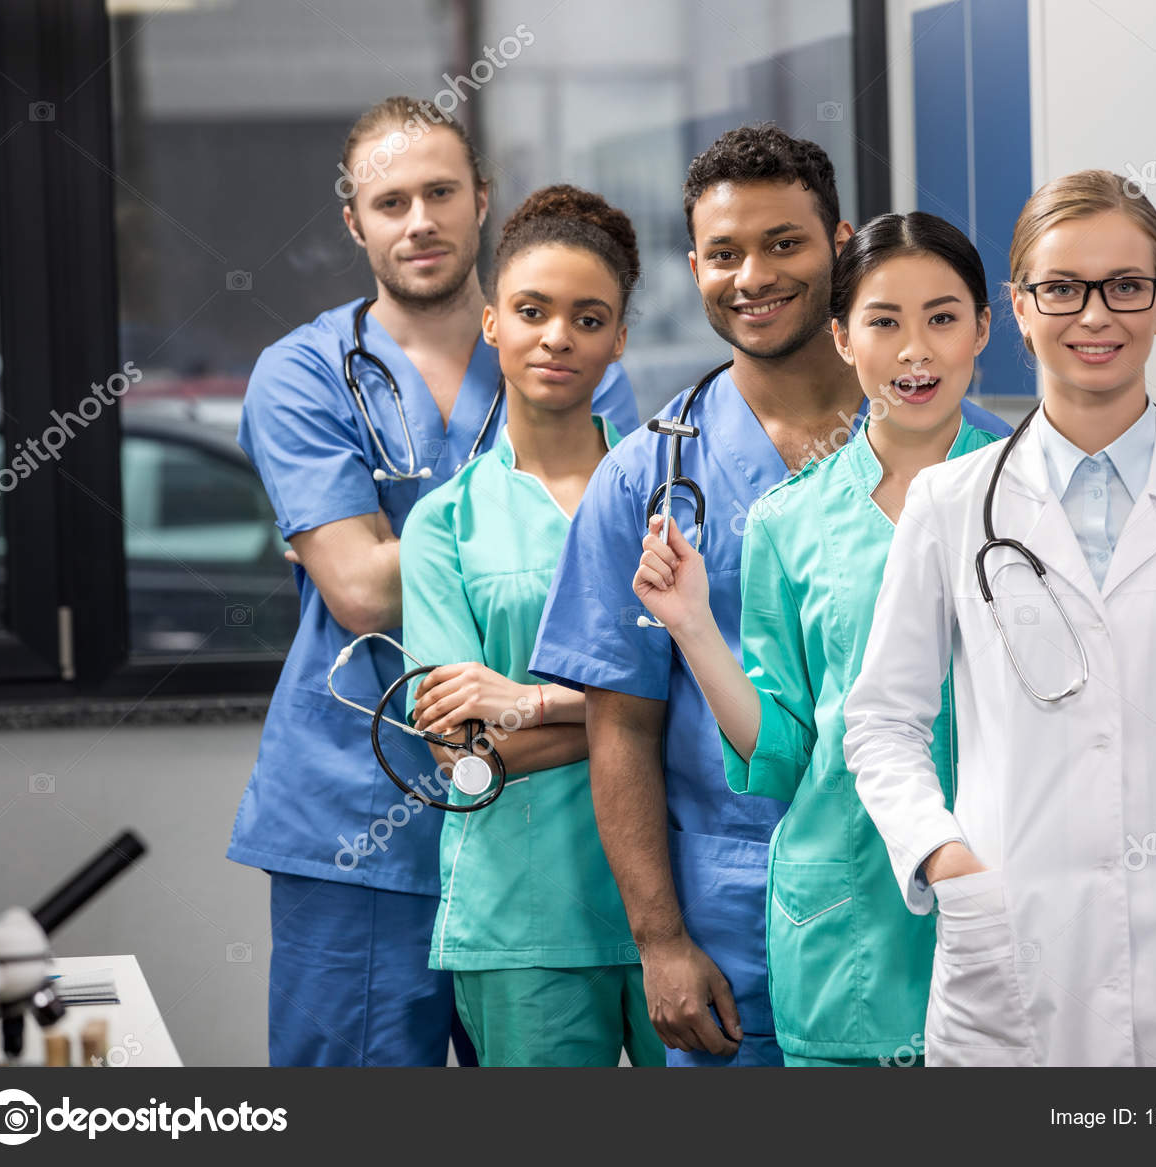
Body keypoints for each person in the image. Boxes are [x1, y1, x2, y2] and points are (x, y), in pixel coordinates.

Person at [529, 125, 1010, 1066]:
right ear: (696, 268)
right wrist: (661, 941)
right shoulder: (645, 479)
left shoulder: (991, 463)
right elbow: (619, 723)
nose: (752, 275)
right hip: (731, 917)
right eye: (723, 253)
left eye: (783, 244)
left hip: (963, 891)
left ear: (838, 247)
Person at [843, 170, 1156, 1068]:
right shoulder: (952, 503)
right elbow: (881, 721)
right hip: (1011, 954)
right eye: (1062, 288)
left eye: (1125, 286)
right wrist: (948, 864)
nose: (1095, 316)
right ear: (1018, 309)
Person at [230, 96, 637, 1067]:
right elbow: (362, 595)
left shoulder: (563, 341)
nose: (419, 220)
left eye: (441, 192)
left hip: (551, 805)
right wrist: (489, 527)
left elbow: (619, 572)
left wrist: (386, 539)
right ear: (354, 222)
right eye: (391, 200)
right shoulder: (301, 374)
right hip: (361, 813)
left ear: (481, 199)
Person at [396, 185, 663, 1067]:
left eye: (589, 318)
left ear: (619, 339)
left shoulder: (669, 495)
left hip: (678, 900)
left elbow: (731, 700)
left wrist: (531, 699)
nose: (558, 337)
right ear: (490, 324)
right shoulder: (444, 524)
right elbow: (467, 758)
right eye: (532, 311)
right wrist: (642, 715)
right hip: (523, 912)